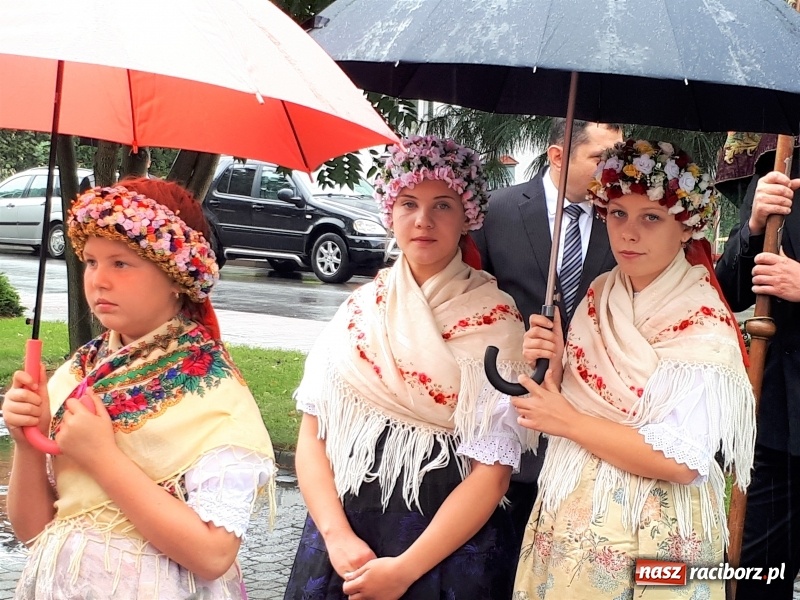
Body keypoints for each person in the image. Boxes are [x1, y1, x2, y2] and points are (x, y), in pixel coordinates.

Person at [283, 135, 537, 600]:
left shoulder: (498, 322)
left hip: (445, 553)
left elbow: (493, 473)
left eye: (443, 205)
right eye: (408, 203)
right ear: (390, 211)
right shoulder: (359, 311)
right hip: (344, 541)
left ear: (468, 217)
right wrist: (337, 538)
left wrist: (404, 571)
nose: (423, 220)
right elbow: (312, 439)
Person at [4, 178, 276, 599]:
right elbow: (34, 531)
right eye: (91, 262)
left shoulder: (211, 392)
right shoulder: (77, 374)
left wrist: (102, 457)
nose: (98, 280)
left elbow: (212, 555)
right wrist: (28, 443)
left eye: (121, 264)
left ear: (176, 278)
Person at [513, 140, 756, 599]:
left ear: (686, 227)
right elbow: (569, 398)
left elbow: (682, 461)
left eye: (651, 217)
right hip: (572, 510)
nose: (628, 233)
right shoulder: (599, 293)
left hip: (659, 523)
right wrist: (554, 364)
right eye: (618, 213)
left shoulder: (701, 321)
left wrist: (569, 421)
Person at [471, 118, 622, 553]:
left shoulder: (623, 218)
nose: (611, 169)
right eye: (599, 158)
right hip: (512, 413)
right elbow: (472, 297)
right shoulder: (497, 211)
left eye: (616, 157)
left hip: (592, 425)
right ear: (558, 156)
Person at [715, 160, 800, 600]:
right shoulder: (780, 169)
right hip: (776, 424)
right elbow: (728, 289)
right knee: (756, 579)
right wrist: (752, 226)